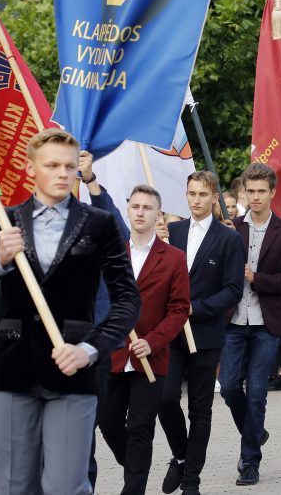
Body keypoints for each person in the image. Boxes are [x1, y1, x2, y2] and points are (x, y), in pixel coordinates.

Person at [0, 128, 141, 495]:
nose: (62, 173)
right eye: (52, 165)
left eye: (69, 166)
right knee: (13, 486)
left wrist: (90, 349)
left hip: (73, 367)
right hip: (13, 367)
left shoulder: (98, 224)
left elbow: (128, 300)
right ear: (30, 169)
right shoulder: (6, 222)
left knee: (65, 486)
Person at [92, 184, 191, 494]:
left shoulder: (173, 258)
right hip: (113, 354)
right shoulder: (111, 253)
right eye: (135, 206)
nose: (140, 212)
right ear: (128, 210)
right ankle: (135, 463)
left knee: (140, 428)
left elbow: (179, 310)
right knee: (108, 424)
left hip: (150, 356)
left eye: (147, 207)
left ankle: (133, 488)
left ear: (157, 214)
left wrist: (153, 341)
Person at [157, 171, 244, 495]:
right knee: (164, 399)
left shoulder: (228, 239)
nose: (196, 200)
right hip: (171, 335)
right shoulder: (172, 232)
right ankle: (180, 454)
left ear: (214, 197)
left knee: (200, 410)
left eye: (203, 195)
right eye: (191, 194)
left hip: (206, 334)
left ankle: (192, 479)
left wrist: (196, 307)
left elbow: (233, 290)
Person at [221, 162, 281, 487]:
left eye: (260, 191)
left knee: (256, 393)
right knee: (229, 387)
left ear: (272, 192)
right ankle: (256, 432)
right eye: (250, 191)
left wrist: (258, 278)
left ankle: (250, 461)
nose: (254, 197)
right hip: (233, 320)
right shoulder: (231, 228)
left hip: (266, 322)